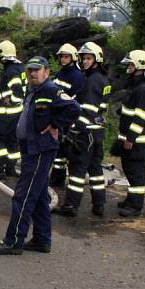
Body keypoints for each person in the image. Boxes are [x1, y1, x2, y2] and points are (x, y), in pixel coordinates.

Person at [0, 57, 79, 255]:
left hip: (40, 150)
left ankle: (13, 242)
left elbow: (74, 108)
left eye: (37, 70)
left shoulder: (50, 89)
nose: (32, 73)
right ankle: (41, 240)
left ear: (46, 72)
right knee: (37, 196)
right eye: (30, 70)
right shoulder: (34, 90)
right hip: (32, 149)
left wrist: (55, 125)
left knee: (23, 195)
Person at [52, 42, 110, 218]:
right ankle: (99, 204)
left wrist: (74, 129)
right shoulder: (102, 79)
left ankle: (71, 206)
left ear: (97, 60)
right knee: (95, 170)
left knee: (77, 170)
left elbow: (88, 110)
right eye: (83, 58)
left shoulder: (92, 81)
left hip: (86, 133)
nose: (85, 61)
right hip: (97, 132)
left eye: (88, 58)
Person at [112, 50, 145, 217]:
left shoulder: (143, 90)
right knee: (129, 171)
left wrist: (130, 138)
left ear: (139, 66)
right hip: (130, 140)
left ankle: (136, 207)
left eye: (131, 65)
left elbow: (140, 118)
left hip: (137, 142)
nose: (128, 68)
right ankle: (130, 200)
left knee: (136, 174)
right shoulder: (135, 86)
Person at [0, 40, 26, 179]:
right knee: (12, 141)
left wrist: (11, 101)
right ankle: (10, 168)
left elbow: (17, 91)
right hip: (17, 114)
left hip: (5, 113)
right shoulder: (20, 68)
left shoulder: (10, 71)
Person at [50, 44, 85, 187]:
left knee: (64, 150)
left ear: (73, 58)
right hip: (58, 116)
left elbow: (73, 100)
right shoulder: (60, 73)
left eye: (66, 57)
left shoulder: (77, 76)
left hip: (67, 119)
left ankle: (59, 179)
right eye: (61, 57)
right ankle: (56, 177)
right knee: (58, 152)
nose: (63, 59)